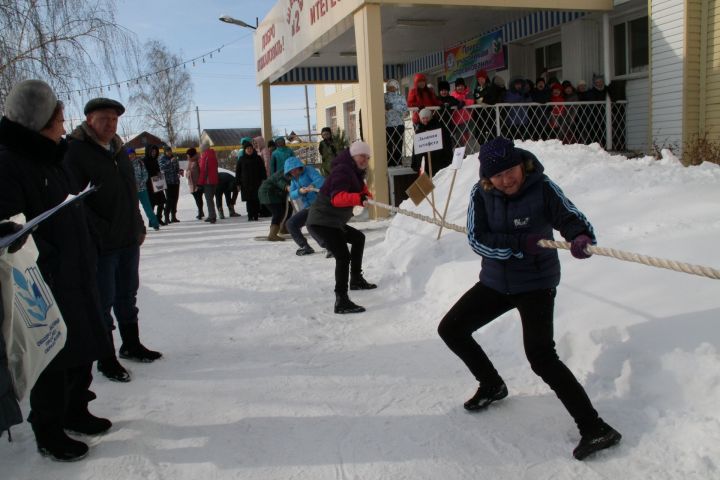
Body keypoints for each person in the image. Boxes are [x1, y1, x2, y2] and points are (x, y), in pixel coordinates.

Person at [437, 137, 621, 461]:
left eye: (511, 170)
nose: (507, 179)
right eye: (498, 175)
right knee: (451, 328)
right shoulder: (480, 193)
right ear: (487, 178)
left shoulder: (542, 187)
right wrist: (520, 243)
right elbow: (477, 240)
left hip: (536, 282)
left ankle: (595, 428)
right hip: (496, 281)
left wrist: (580, 238)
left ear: (521, 164)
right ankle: (492, 384)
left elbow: (570, 217)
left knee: (541, 357)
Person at [0, 80, 114, 460]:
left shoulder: (52, 156)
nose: (64, 127)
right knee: (53, 357)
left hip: (77, 270)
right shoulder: (8, 162)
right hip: (44, 279)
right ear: (38, 121)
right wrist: (44, 255)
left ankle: (76, 410)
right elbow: (9, 227)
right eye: (59, 120)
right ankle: (48, 428)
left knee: (82, 346)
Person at [64, 97, 162, 383]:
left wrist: (139, 224)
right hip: (101, 244)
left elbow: (130, 191)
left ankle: (130, 344)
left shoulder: (119, 149)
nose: (110, 124)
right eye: (104, 118)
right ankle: (105, 359)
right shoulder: (75, 151)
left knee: (127, 294)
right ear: (89, 120)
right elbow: (75, 201)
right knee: (102, 301)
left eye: (114, 119)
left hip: (128, 238)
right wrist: (100, 232)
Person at [306, 141, 377, 314]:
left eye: (367, 158)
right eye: (362, 156)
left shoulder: (354, 172)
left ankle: (356, 279)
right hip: (322, 221)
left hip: (333, 222)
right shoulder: (342, 170)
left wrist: (365, 195)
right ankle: (341, 300)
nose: (365, 160)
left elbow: (362, 189)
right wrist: (358, 198)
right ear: (353, 155)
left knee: (358, 238)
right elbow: (337, 198)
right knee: (343, 256)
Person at [284, 156, 327, 255]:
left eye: (294, 169)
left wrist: (312, 186)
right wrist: (299, 191)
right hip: (308, 207)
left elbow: (321, 180)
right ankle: (305, 246)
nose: (293, 173)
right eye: (290, 171)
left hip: (320, 203)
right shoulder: (294, 179)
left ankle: (329, 246)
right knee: (290, 223)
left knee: (310, 224)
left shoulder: (309, 170)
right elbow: (292, 194)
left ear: (299, 167)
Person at [411, 108, 453, 175]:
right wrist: (415, 163)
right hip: (425, 162)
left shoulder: (439, 127)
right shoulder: (419, 130)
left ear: (430, 117)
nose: (425, 120)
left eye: (427, 118)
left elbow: (447, 142)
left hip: (438, 160)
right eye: (423, 118)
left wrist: (447, 157)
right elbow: (416, 147)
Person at [128, 147, 160, 231]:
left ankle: (155, 223)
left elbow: (145, 174)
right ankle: (137, 226)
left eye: (132, 154)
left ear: (135, 154)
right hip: (132, 190)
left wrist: (141, 182)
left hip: (142, 189)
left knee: (147, 207)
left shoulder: (140, 162)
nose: (131, 156)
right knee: (134, 209)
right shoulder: (126, 164)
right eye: (129, 154)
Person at [258, 164, 292, 241]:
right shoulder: (283, 173)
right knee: (278, 212)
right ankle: (272, 234)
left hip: (277, 194)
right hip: (267, 193)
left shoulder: (292, 173)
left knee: (288, 208)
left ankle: (283, 228)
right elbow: (280, 181)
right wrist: (286, 187)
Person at [236, 140, 266, 221]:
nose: (249, 150)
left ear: (253, 149)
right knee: (249, 200)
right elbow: (238, 172)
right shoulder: (241, 159)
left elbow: (262, 170)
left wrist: (264, 179)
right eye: (247, 149)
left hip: (256, 182)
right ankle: (250, 215)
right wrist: (238, 183)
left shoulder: (258, 158)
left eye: (250, 148)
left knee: (256, 199)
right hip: (245, 184)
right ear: (245, 150)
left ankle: (256, 215)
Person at [384, 79, 408, 167]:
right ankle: (390, 162)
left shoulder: (401, 97)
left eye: (393, 87)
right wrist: (385, 107)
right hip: (387, 124)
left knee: (398, 143)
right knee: (388, 145)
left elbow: (405, 109)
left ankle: (398, 162)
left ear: (397, 87)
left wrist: (393, 106)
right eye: (389, 87)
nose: (391, 89)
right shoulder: (384, 97)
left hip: (399, 124)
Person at [141, 145, 167, 226]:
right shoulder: (143, 161)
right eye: (152, 152)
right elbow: (143, 173)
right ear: (148, 151)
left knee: (162, 202)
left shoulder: (155, 160)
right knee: (151, 204)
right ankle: (151, 221)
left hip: (157, 183)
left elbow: (157, 170)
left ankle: (159, 218)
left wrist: (159, 173)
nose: (154, 153)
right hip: (148, 185)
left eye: (155, 152)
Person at [158, 146, 182, 223]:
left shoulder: (174, 158)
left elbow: (176, 168)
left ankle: (173, 216)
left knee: (175, 199)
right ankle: (166, 216)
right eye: (168, 151)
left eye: (170, 151)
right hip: (167, 182)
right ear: (165, 152)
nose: (169, 152)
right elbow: (162, 168)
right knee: (169, 199)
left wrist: (180, 170)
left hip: (175, 181)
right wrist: (170, 162)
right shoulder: (162, 158)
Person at [198, 141, 219, 223]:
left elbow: (203, 170)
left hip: (208, 181)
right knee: (211, 199)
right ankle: (212, 214)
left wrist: (200, 182)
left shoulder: (205, 156)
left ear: (203, 148)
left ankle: (212, 216)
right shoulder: (213, 155)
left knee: (209, 199)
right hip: (215, 180)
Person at [185, 147, 204, 219]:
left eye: (188, 155)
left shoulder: (198, 160)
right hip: (191, 183)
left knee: (199, 198)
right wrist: (187, 173)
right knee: (196, 198)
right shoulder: (189, 161)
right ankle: (200, 211)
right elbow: (187, 171)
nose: (187, 156)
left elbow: (201, 171)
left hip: (197, 183)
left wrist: (200, 182)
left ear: (191, 155)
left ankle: (200, 212)